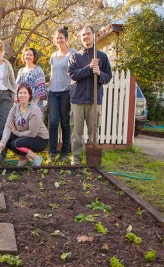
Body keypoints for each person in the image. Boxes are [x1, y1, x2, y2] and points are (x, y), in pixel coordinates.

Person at [68, 25, 112, 166]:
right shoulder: (75, 56)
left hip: (95, 100)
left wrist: (99, 72)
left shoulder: (102, 56)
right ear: (80, 38)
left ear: (93, 35)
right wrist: (89, 68)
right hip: (77, 100)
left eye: (88, 34)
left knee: (94, 133)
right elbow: (73, 74)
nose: (85, 37)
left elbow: (108, 77)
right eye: (83, 35)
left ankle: (92, 160)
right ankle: (76, 159)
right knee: (77, 133)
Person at [0, 83, 48, 167]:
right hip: (24, 136)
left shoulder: (34, 110)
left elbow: (32, 133)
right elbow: (8, 125)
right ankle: (23, 159)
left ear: (29, 95)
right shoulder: (15, 107)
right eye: (20, 93)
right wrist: (3, 142)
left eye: (25, 93)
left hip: (39, 139)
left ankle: (36, 158)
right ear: (17, 95)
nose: (22, 95)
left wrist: (16, 132)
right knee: (2, 136)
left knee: (15, 144)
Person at [48, 27, 77, 164]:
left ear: (66, 39)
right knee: (53, 122)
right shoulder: (53, 56)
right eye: (57, 38)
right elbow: (53, 73)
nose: (59, 40)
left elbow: (75, 72)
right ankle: (52, 153)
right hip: (53, 92)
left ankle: (65, 152)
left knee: (65, 122)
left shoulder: (73, 53)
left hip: (66, 92)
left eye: (61, 37)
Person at [16, 47, 47, 111]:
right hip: (22, 105)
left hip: (34, 105)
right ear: (24, 56)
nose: (28, 56)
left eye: (31, 55)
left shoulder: (38, 70)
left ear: (34, 57)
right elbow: (17, 88)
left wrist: (34, 105)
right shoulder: (21, 71)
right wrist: (16, 103)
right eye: (27, 54)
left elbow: (40, 90)